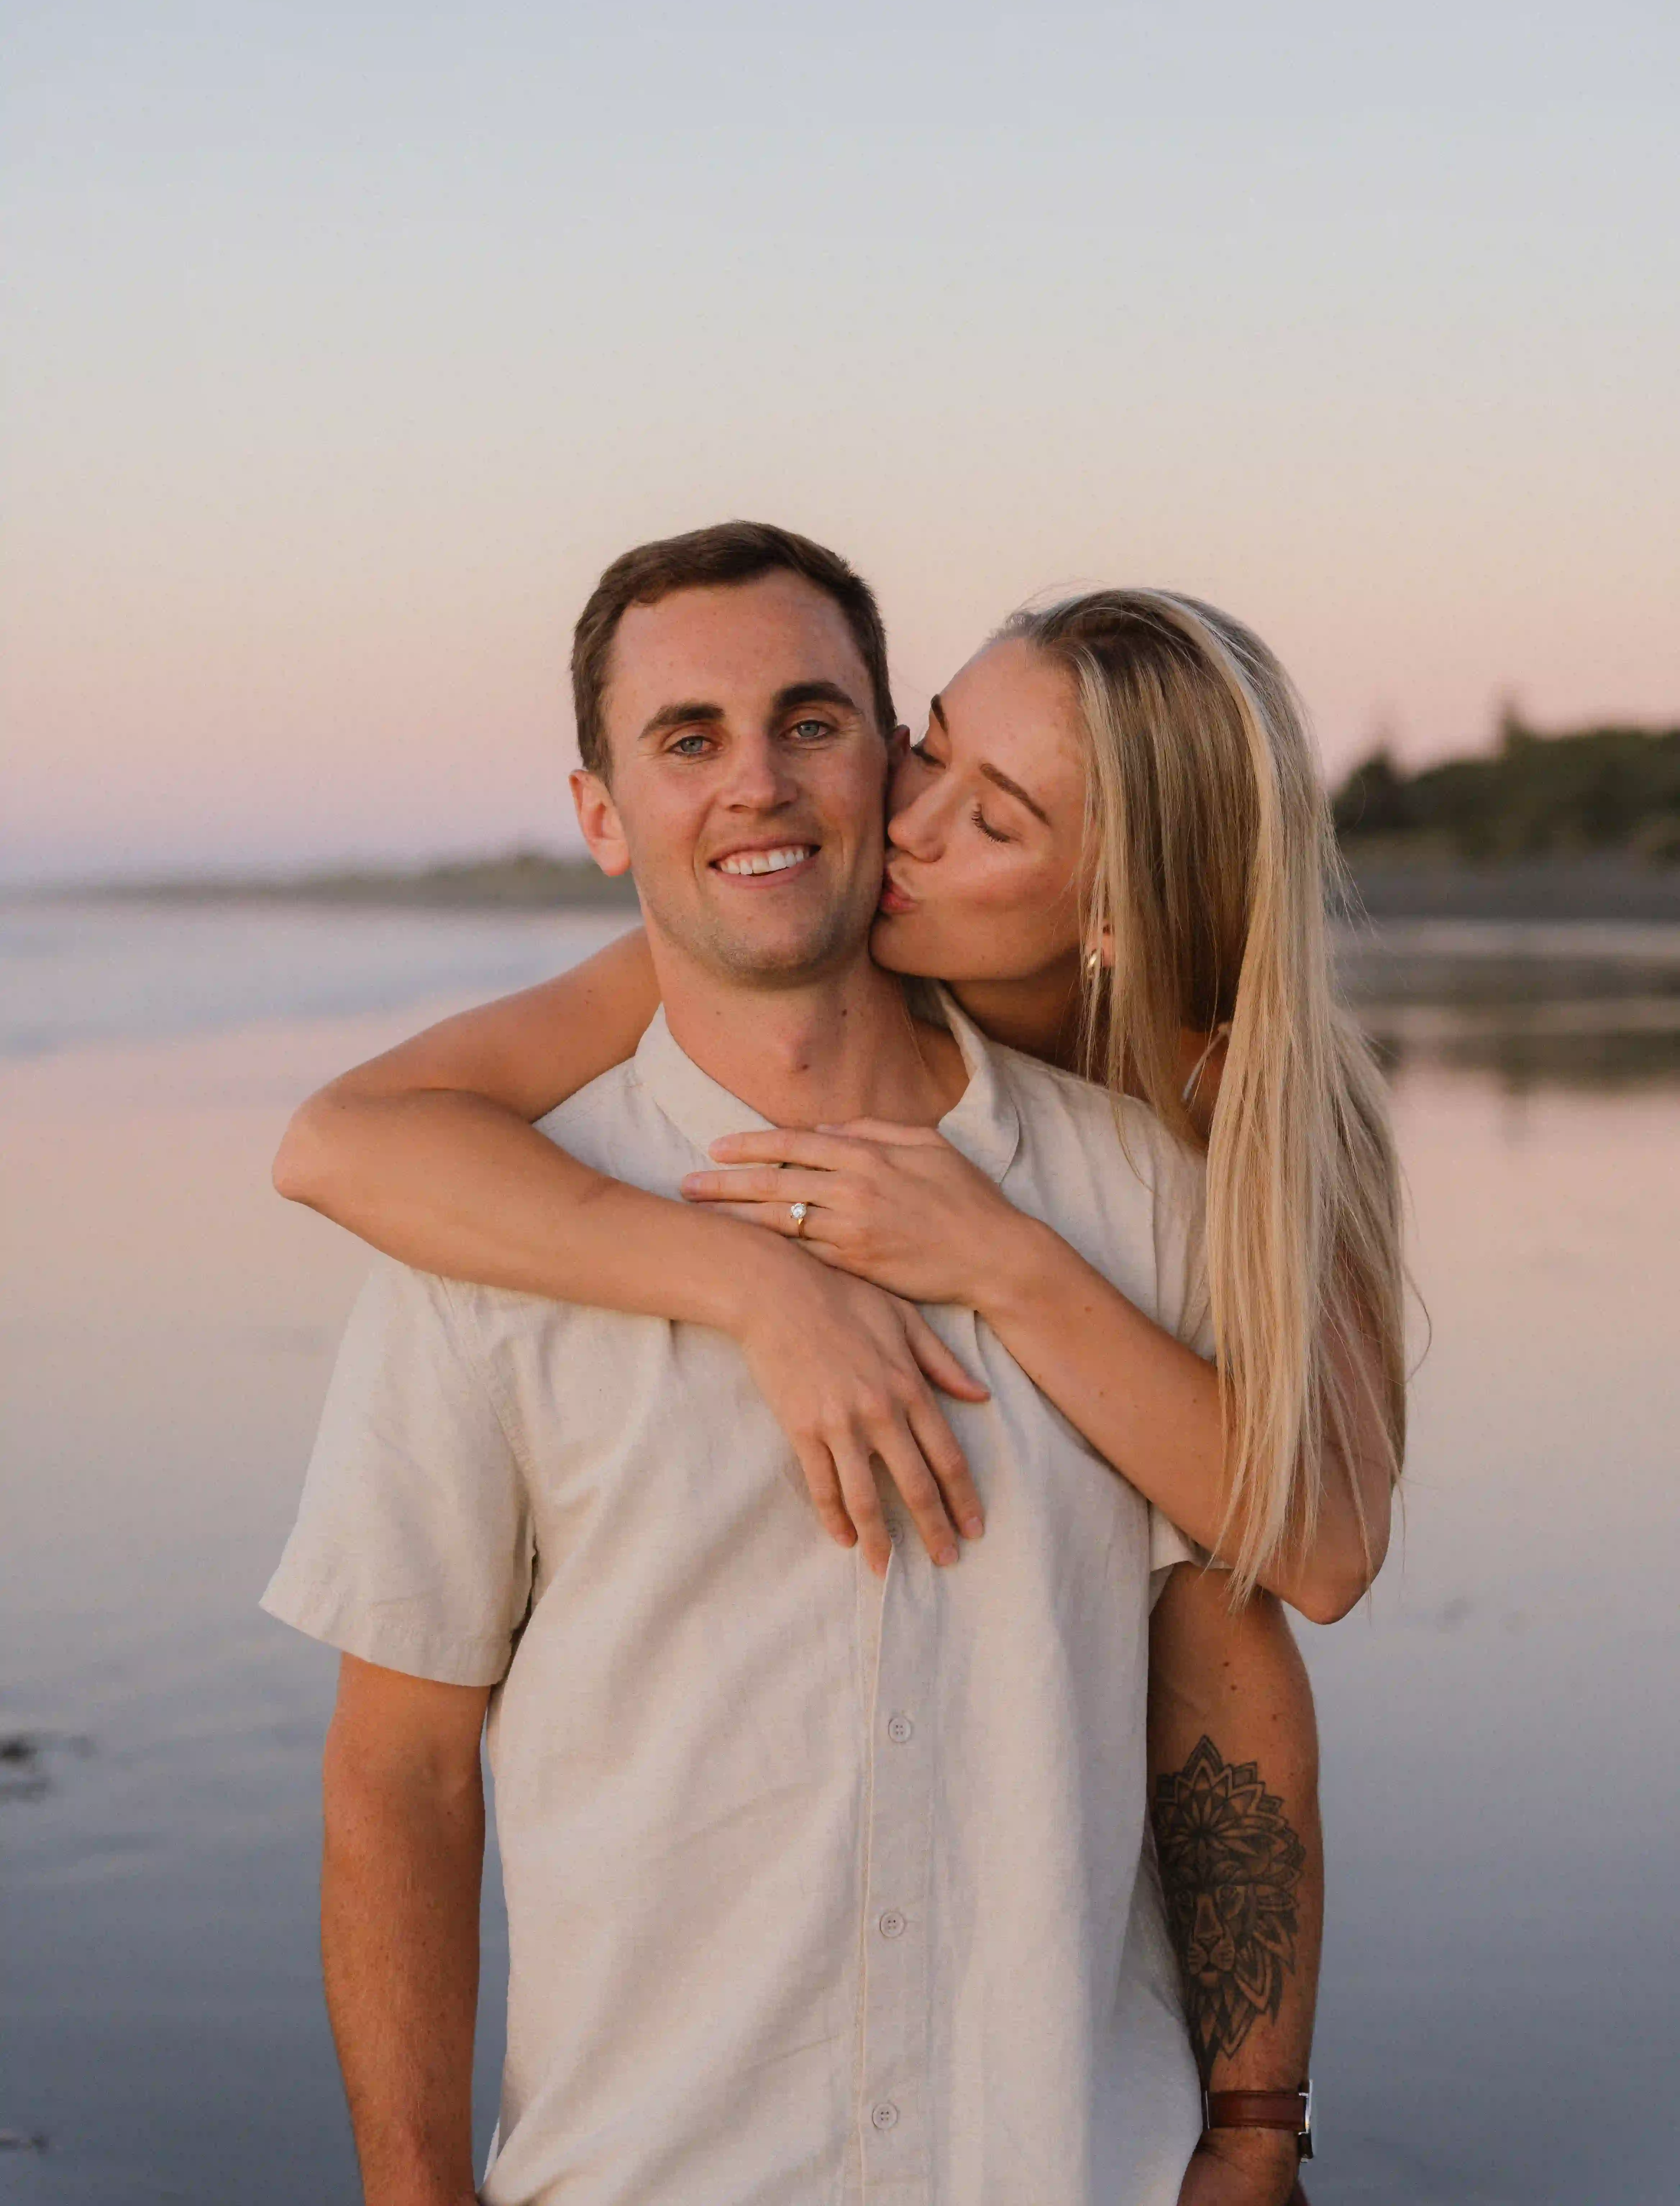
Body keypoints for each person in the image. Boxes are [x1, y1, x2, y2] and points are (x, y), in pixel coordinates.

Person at [263, 526, 1371, 2205]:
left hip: (1073, 2161)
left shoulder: (1158, 1182)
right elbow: (399, 1768)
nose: (764, 788)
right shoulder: (482, 1236)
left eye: (815, 725)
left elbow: (1247, 1639)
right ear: (599, 812)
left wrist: (1250, 2128)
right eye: (684, 742)